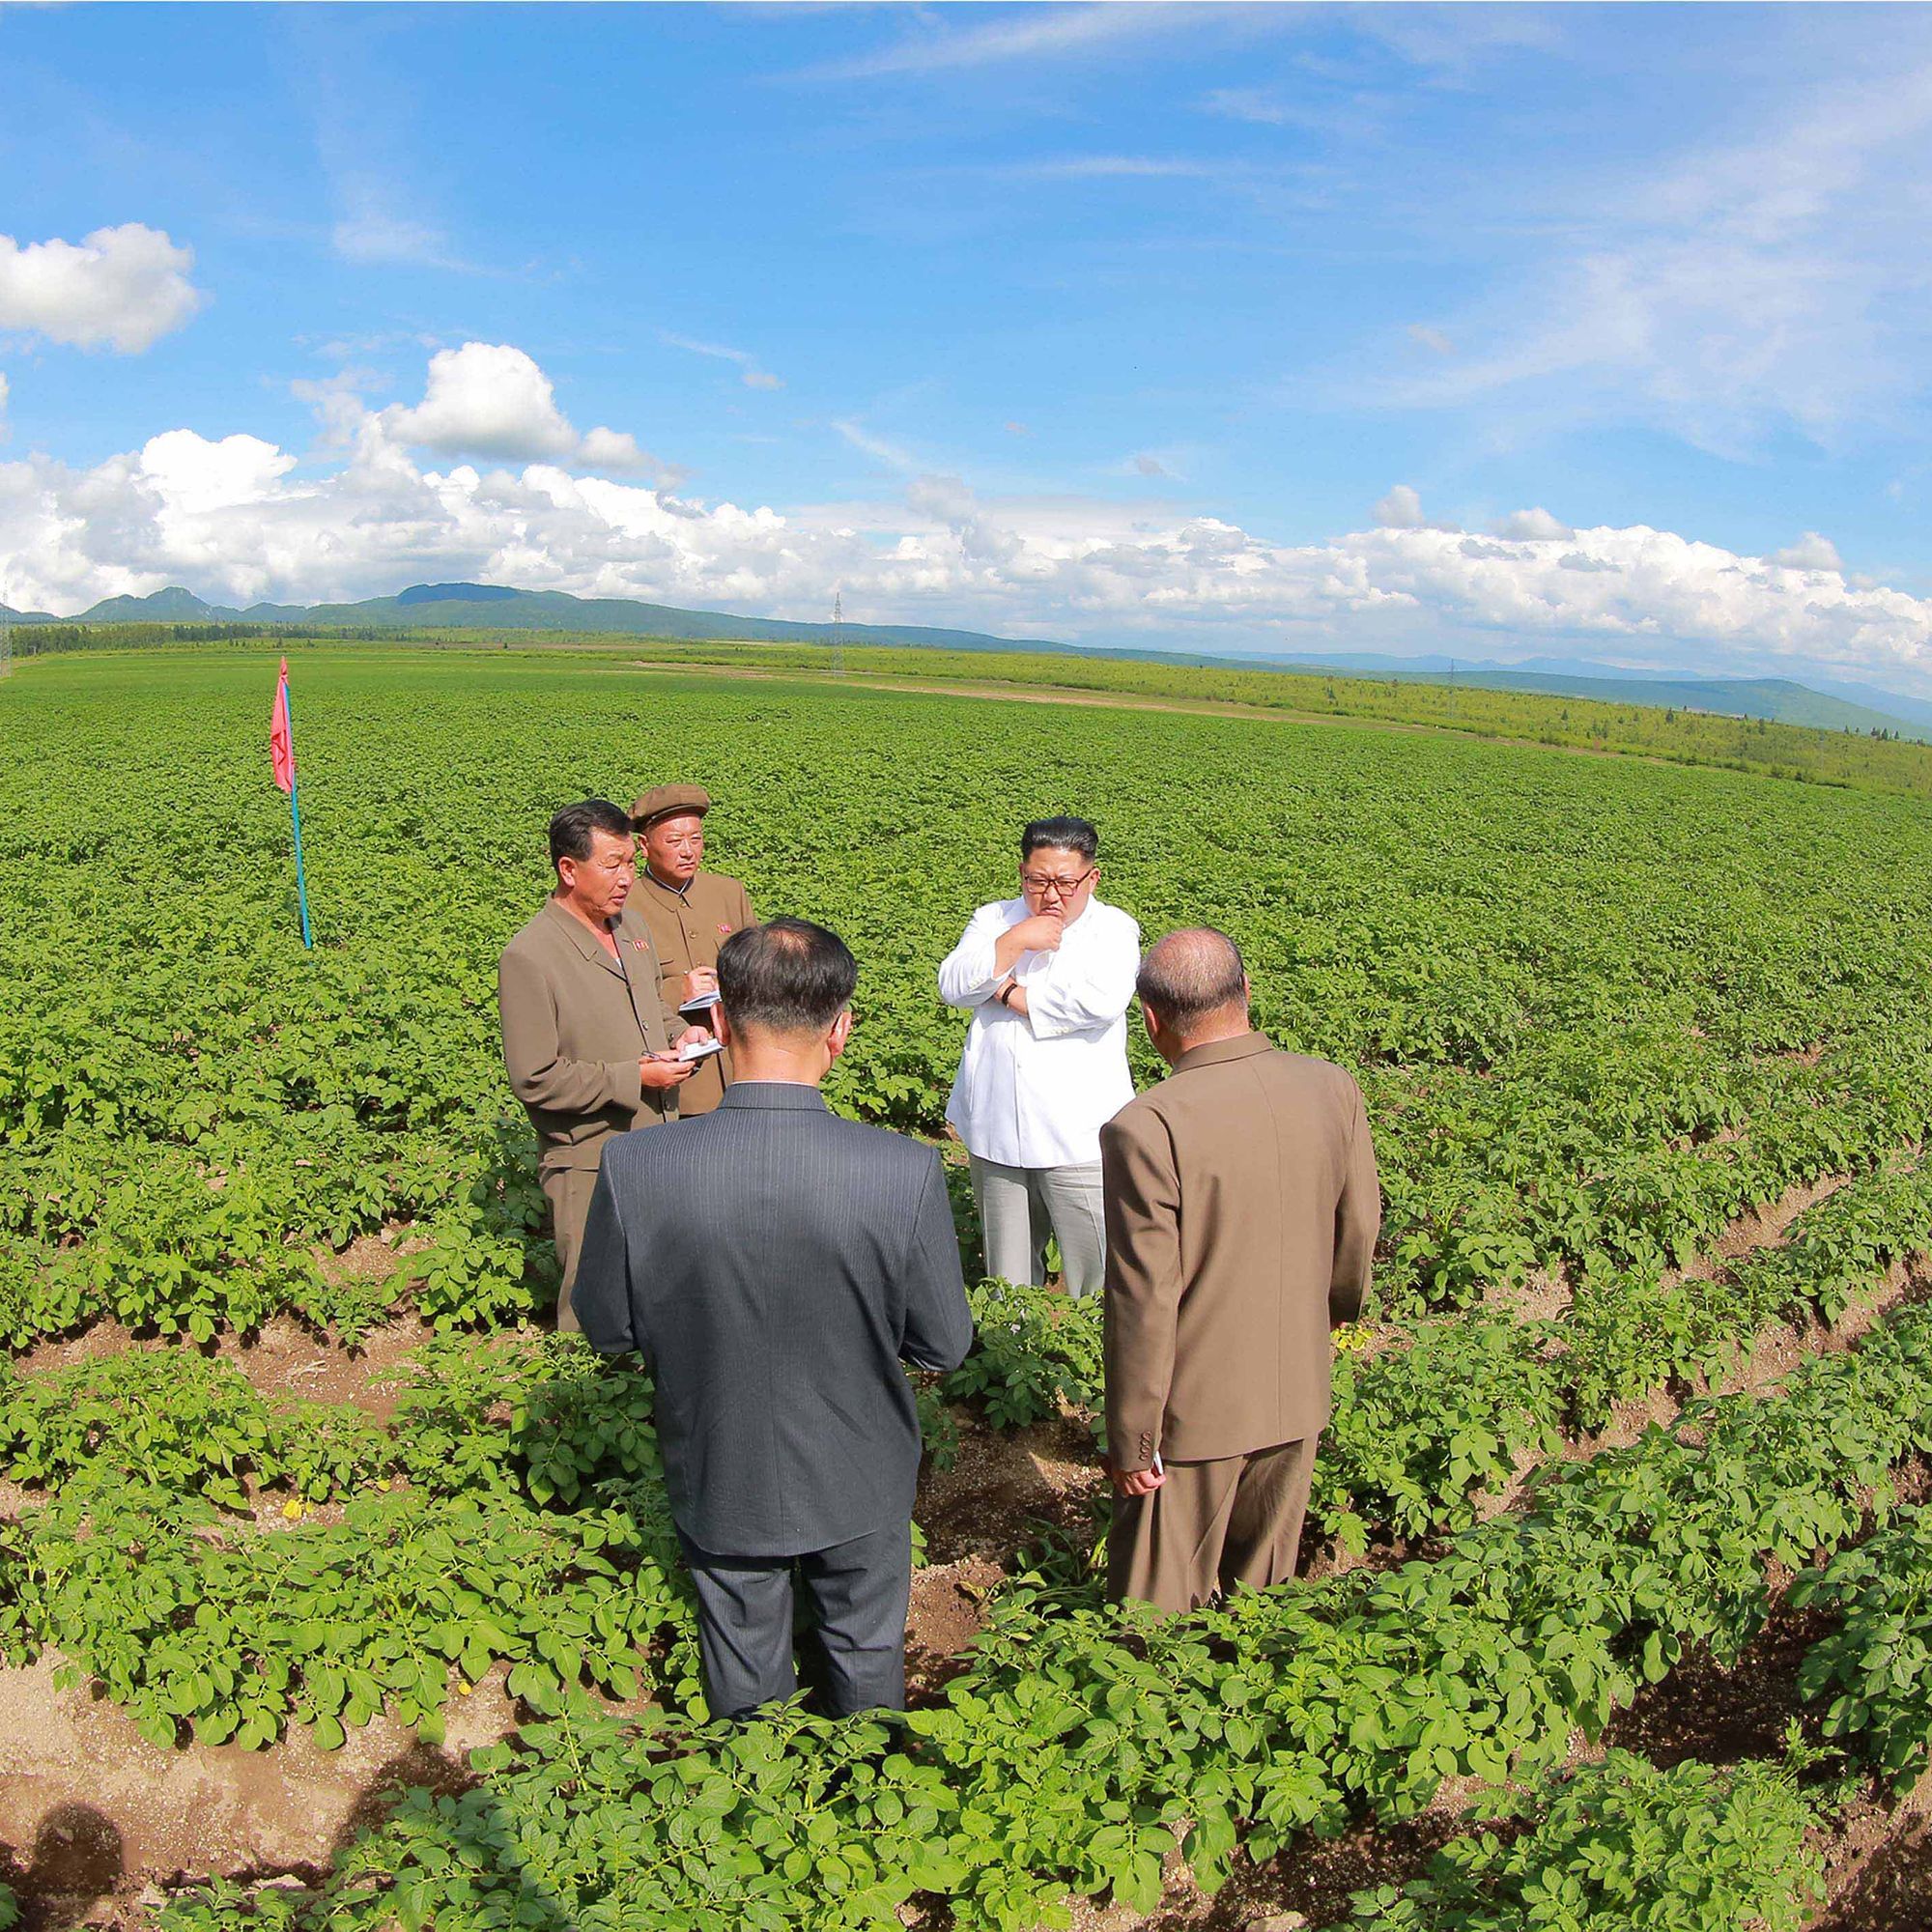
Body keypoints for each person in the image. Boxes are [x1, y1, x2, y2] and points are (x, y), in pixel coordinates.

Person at [573, 917, 975, 1719]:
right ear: (841, 1029)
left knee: (741, 1652)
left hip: (719, 1458)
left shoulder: (638, 1164)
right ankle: (868, 1787)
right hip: (860, 1467)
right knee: (865, 1653)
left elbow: (610, 1327)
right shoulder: (901, 1169)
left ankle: (755, 1779)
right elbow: (943, 1342)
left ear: (719, 1021)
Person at [1100, 927, 1380, 1613]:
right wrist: (1326, 1319)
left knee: (1155, 1617)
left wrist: (1135, 1437)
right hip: (1298, 1389)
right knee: (1265, 1606)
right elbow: (1358, 1231)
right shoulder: (1331, 1087)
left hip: (1194, 1418)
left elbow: (1144, 1300)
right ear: (1247, 992)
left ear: (1151, 1021)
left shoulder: (1148, 1125)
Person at [497, 799, 700, 1330]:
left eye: (631, 862)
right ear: (568, 869)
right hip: (589, 1156)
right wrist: (635, 1076)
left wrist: (682, 1034)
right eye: (612, 865)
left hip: (658, 1137)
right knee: (593, 1299)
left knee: (657, 1288)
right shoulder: (530, 955)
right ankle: (581, 1381)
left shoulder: (630, 928)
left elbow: (652, 1007)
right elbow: (535, 1077)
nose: (627, 878)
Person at [936, 815, 1139, 1298]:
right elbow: (953, 985)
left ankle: (1097, 1343)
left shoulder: (1113, 929)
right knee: (1008, 1278)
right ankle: (1010, 1339)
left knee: (1098, 1272)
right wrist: (1014, 942)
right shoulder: (994, 920)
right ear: (1021, 873)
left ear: (1092, 878)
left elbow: (1098, 1002)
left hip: (1079, 1136)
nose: (1051, 896)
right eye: (1037, 881)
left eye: (1066, 883)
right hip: (996, 1127)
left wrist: (1007, 992)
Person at [629, 784, 757, 1117]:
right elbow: (613, 993)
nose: (688, 851)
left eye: (696, 839)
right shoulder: (624, 906)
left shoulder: (728, 893)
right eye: (674, 841)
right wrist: (677, 992)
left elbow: (760, 969)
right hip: (680, 1089)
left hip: (742, 1072)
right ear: (644, 845)